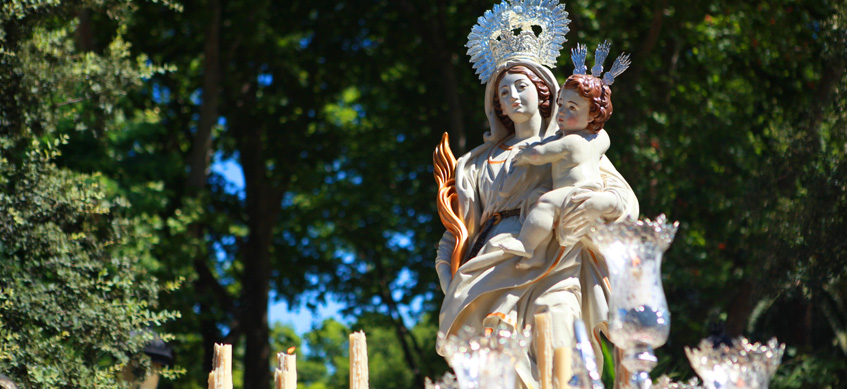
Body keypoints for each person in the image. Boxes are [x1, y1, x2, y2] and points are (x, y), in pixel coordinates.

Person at [434, 59, 639, 388]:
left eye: (521, 86)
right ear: (494, 103)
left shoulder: (574, 142)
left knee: (558, 332)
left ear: (545, 92)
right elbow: (454, 229)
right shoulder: (474, 163)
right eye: (502, 92)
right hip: (493, 262)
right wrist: (447, 272)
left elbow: (623, 200)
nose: (512, 96)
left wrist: (602, 203)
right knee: (495, 359)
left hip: (556, 258)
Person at [498, 73, 614, 268]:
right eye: (561, 105)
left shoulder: (571, 141)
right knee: (537, 200)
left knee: (544, 203)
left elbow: (538, 154)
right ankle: (538, 255)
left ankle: (526, 244)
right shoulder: (598, 138)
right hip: (582, 190)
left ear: (591, 115)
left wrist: (524, 154)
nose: (561, 112)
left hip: (576, 194)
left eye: (572, 108)